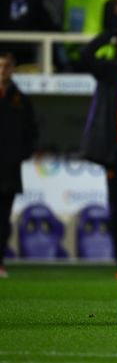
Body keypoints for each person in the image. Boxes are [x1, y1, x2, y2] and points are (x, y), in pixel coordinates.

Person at [79, 27, 117, 279]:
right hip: (116, 151)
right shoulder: (109, 72)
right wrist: (107, 34)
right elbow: (84, 56)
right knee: (115, 207)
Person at [0, 51, 38, 278]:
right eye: (0, 66)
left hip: (8, 169)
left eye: (6, 66)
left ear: (12, 69)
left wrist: (18, 155)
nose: (3, 71)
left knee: (3, 220)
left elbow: (31, 134)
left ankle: (0, 262)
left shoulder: (20, 100)